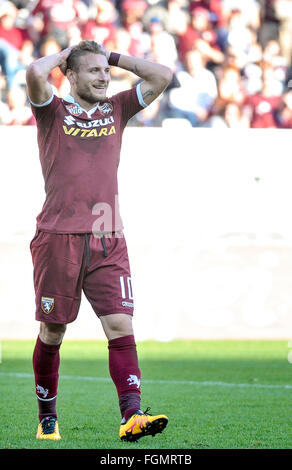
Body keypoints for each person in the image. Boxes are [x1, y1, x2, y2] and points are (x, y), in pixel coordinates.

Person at [25, 40, 172, 442]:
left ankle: (132, 414)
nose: (103, 77)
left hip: (109, 234)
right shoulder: (53, 110)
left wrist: (112, 57)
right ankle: (47, 417)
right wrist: (67, 54)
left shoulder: (118, 108)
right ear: (70, 76)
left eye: (105, 71)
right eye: (92, 71)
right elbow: (36, 74)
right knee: (52, 332)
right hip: (58, 236)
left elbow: (162, 76)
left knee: (120, 324)